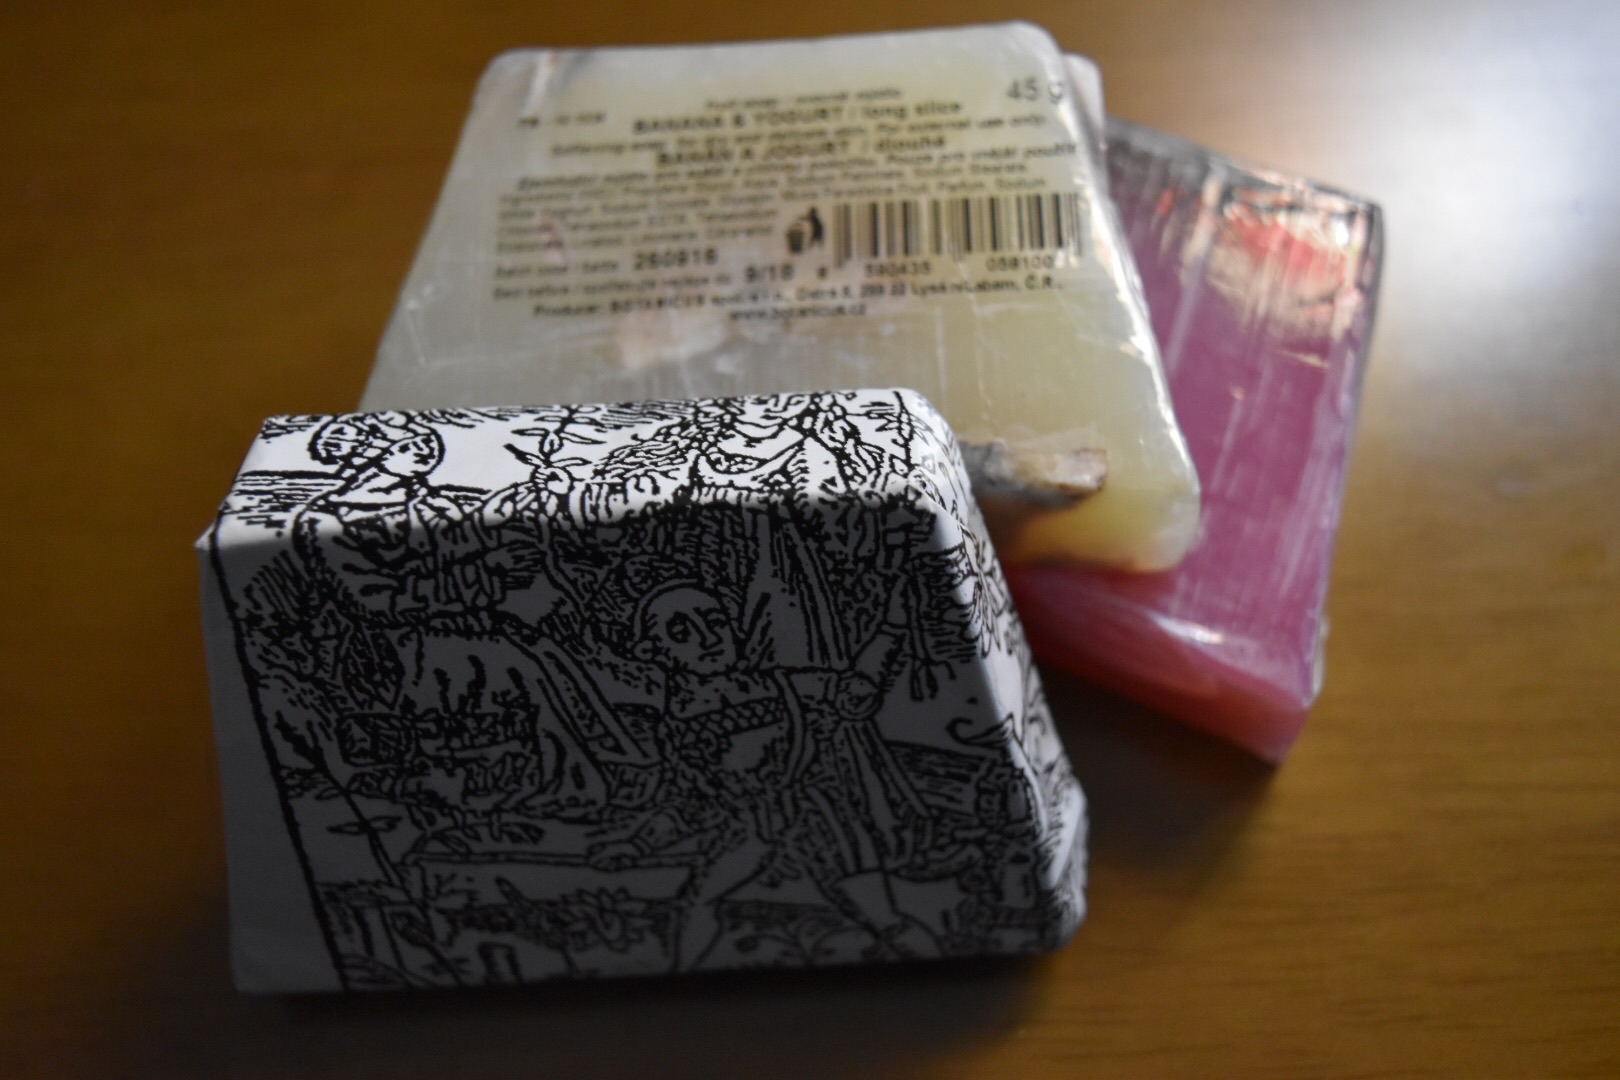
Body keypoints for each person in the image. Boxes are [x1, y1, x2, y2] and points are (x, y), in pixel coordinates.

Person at [588, 578, 937, 971]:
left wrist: (891, 626)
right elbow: (691, 803)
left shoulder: (787, 686)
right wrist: (637, 844)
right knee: (697, 903)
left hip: (819, 820)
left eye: (714, 622)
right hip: (748, 828)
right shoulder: (677, 730)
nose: (708, 638)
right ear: (654, 651)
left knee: (882, 917)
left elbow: (857, 692)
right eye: (681, 632)